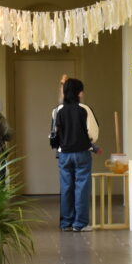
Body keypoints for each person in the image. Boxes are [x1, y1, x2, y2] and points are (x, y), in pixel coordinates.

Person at [54, 78, 99, 232]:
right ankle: (80, 223)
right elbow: (93, 134)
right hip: (81, 153)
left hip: (64, 154)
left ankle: (66, 222)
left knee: (66, 187)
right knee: (82, 188)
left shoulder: (58, 110)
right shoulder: (84, 109)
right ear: (79, 92)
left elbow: (54, 133)